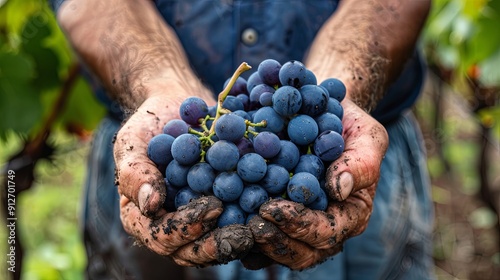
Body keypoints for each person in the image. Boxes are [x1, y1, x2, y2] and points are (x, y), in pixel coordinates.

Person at [50, 0, 435, 279]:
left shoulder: (306, 133)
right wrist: (160, 86)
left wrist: (334, 91)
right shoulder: (198, 151)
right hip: (150, 157)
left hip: (360, 156)